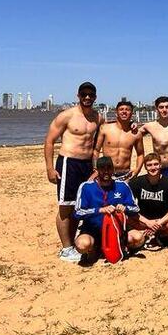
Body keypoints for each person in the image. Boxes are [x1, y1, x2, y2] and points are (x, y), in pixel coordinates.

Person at [44, 81, 104, 262]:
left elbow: (103, 137)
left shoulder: (98, 117)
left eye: (91, 95)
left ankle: (72, 245)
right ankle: (66, 248)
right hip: (68, 163)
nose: (87, 97)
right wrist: (49, 168)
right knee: (65, 206)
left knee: (78, 206)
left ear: (95, 97)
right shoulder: (67, 116)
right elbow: (49, 141)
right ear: (78, 95)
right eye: (84, 94)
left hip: (86, 166)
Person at [73, 156, 145, 260]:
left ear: (113, 169)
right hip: (93, 229)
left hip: (118, 230)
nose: (106, 171)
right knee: (82, 245)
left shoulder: (122, 185)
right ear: (97, 170)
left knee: (138, 239)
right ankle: (95, 248)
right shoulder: (86, 187)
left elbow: (135, 208)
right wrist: (99, 210)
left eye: (109, 168)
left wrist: (125, 208)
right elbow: (77, 212)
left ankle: (121, 247)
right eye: (102, 168)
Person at [128, 153, 168, 245]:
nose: (153, 168)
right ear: (145, 167)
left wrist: (158, 223)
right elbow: (129, 208)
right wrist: (147, 222)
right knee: (127, 219)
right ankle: (144, 236)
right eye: (149, 165)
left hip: (163, 221)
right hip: (144, 221)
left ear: (160, 165)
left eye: (156, 164)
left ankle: (161, 234)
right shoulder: (137, 182)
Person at [139, 96, 168, 186]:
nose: (164, 110)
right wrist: (132, 124)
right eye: (161, 107)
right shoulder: (149, 126)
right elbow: (133, 135)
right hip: (157, 169)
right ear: (156, 109)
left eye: (167, 107)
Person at [93, 100, 144, 181]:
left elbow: (140, 154)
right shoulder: (105, 129)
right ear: (116, 112)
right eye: (121, 109)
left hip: (125, 174)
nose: (124, 112)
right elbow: (96, 150)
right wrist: (95, 168)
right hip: (106, 172)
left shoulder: (136, 134)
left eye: (127, 110)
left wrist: (137, 170)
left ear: (132, 113)